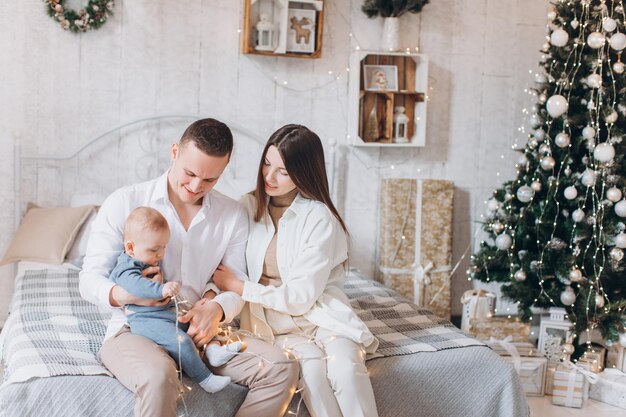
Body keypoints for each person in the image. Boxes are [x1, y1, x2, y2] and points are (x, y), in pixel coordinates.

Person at [80, 118, 299, 417]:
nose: (196, 187)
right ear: (174, 153)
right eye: (190, 173)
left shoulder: (232, 215)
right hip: (136, 328)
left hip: (202, 331)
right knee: (159, 377)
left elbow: (235, 283)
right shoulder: (126, 201)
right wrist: (131, 296)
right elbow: (89, 279)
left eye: (209, 180)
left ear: (224, 169)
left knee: (282, 367)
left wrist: (216, 309)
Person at [213, 124, 380, 417]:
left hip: (321, 316)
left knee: (345, 371)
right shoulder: (247, 207)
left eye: (283, 171)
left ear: (304, 172)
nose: (269, 176)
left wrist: (241, 287)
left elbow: (301, 297)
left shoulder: (318, 217)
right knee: (313, 376)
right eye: (267, 164)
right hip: (273, 326)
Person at [110, 206, 243, 393]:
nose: (161, 255)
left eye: (163, 247)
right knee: (182, 342)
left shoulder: (145, 258)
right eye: (155, 249)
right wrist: (161, 289)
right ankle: (205, 379)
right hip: (146, 321)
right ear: (130, 247)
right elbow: (134, 285)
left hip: (166, 313)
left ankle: (213, 351)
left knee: (196, 324)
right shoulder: (126, 266)